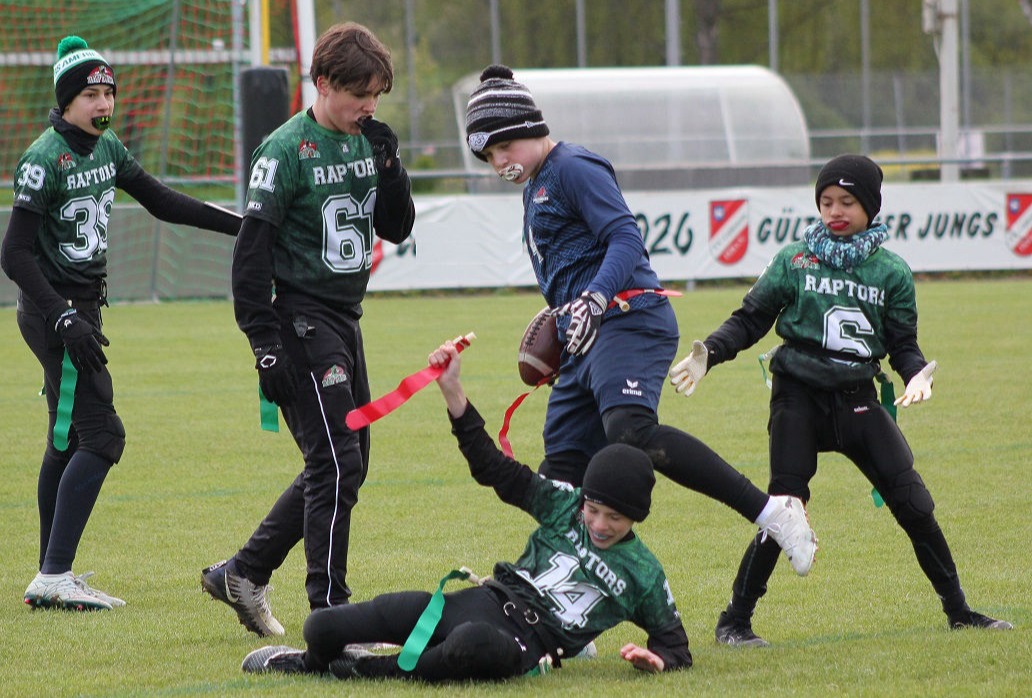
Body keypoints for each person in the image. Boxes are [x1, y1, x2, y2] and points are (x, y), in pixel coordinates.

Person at [462, 65, 816, 576]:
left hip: (629, 319)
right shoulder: (535, 184)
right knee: (561, 474)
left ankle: (773, 513)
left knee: (630, 430)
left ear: (531, 129)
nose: (499, 162)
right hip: (586, 338)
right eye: (489, 156)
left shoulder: (573, 166)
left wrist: (593, 300)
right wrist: (567, 320)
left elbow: (626, 237)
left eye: (503, 147)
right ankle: (555, 596)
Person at [669, 154, 1014, 646]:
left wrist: (916, 374)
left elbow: (903, 344)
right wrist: (712, 351)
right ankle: (735, 621)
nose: (834, 210)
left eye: (847, 201)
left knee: (914, 503)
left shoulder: (891, 272)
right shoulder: (795, 259)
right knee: (784, 506)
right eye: (826, 200)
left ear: (871, 206)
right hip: (798, 395)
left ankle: (959, 611)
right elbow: (751, 318)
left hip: (856, 396)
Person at [239, 339, 691, 681]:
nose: (599, 524)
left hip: (528, 643)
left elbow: (675, 646)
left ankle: (371, 671)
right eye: (594, 510)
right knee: (321, 625)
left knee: (472, 644)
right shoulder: (565, 503)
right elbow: (492, 468)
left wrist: (658, 660)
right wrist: (452, 389)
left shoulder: (643, 573)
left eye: (615, 518)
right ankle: (312, 662)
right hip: (482, 600)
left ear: (636, 518)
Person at [0, 36, 241, 612]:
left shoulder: (106, 146)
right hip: (55, 312)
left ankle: (49, 572)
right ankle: (54, 574)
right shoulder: (44, 157)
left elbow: (161, 200)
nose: (103, 103)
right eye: (91, 95)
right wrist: (63, 316)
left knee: (67, 439)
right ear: (66, 100)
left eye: (109, 93)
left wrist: (246, 225)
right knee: (104, 436)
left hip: (78, 309)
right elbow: (13, 253)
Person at [200, 21, 415, 636]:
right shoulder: (285, 151)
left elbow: (397, 227)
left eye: (377, 95)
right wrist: (264, 344)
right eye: (359, 94)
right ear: (323, 83)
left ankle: (243, 572)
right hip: (299, 319)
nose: (369, 107)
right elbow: (249, 258)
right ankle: (332, 616)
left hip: (345, 319)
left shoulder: (367, 141)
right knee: (337, 462)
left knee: (348, 462)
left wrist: (391, 167)